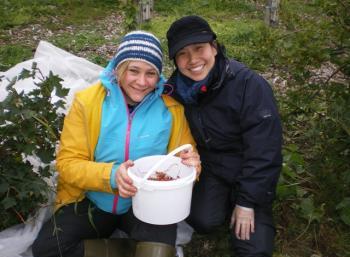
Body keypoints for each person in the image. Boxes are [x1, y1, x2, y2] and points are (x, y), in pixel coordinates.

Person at [32, 30, 200, 257]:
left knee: (158, 253)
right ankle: (132, 251)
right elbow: (67, 163)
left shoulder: (171, 110)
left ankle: (144, 250)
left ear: (159, 76)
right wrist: (111, 176)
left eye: (151, 73)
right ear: (119, 68)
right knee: (47, 249)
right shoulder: (88, 103)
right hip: (91, 200)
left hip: (147, 205)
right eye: (133, 71)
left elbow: (185, 159)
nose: (142, 82)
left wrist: (193, 165)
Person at [165, 16, 283, 257]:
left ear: (214, 48)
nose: (193, 60)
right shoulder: (174, 92)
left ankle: (250, 204)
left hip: (249, 167)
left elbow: (265, 150)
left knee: (254, 251)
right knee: (202, 220)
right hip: (212, 169)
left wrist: (247, 202)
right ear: (176, 61)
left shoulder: (249, 85)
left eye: (199, 48)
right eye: (183, 54)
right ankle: (224, 205)